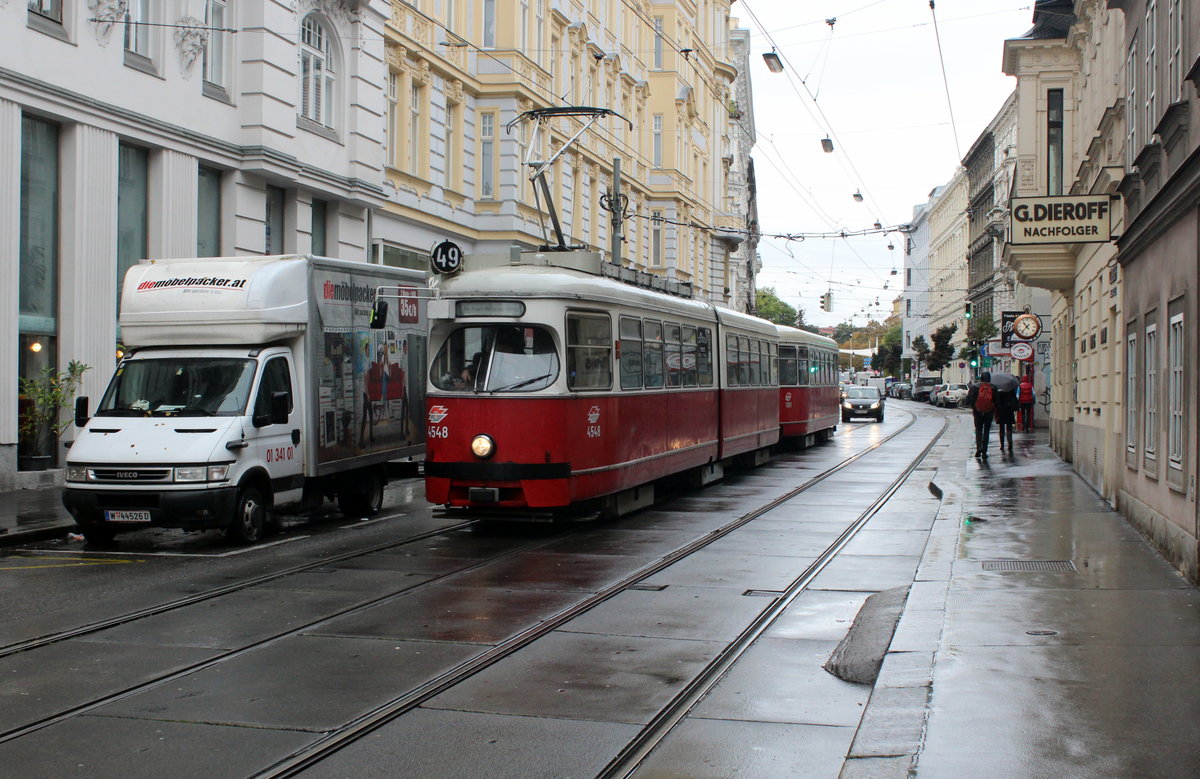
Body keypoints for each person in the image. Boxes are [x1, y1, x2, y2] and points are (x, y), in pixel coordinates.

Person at [964, 371, 995, 460]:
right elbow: (996, 401)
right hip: (989, 412)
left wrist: (974, 407)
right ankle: (984, 451)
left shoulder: (974, 387)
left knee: (978, 430)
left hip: (977, 412)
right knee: (986, 431)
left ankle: (978, 449)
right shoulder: (993, 387)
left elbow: (969, 399)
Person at [994, 381, 1018, 453]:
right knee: (1009, 428)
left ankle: (1002, 445)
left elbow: (996, 402)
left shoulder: (998, 391)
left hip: (1001, 411)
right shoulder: (1011, 390)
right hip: (1009, 411)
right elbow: (1015, 400)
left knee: (1001, 429)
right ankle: (1010, 443)